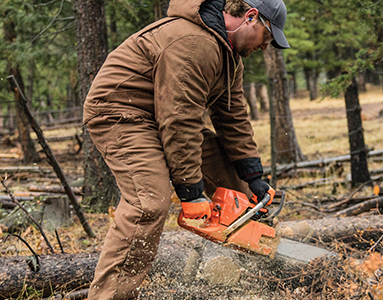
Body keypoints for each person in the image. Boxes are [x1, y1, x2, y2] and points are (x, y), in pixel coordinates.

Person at [82, 0, 289, 298]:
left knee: (243, 192)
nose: (265, 47)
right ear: (251, 17)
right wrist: (190, 193)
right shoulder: (195, 43)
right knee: (148, 205)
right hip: (122, 114)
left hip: (162, 116)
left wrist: (252, 174)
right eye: (267, 37)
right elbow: (179, 120)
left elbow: (232, 117)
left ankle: (272, 260)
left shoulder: (229, 57)